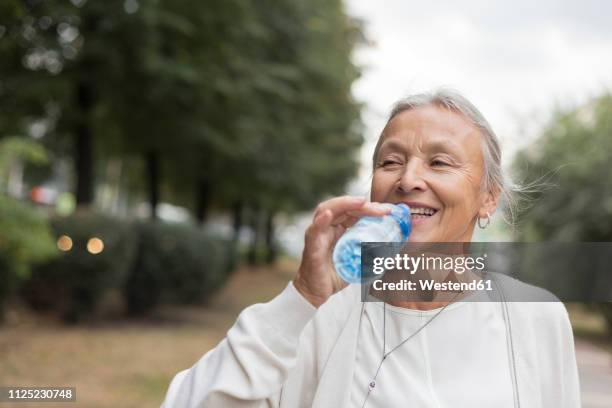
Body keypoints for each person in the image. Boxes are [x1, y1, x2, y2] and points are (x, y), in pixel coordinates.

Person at [161, 90, 580, 407]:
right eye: (390, 162)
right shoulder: (324, 317)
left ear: (489, 197)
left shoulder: (536, 317)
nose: (409, 179)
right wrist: (301, 300)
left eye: (439, 162)